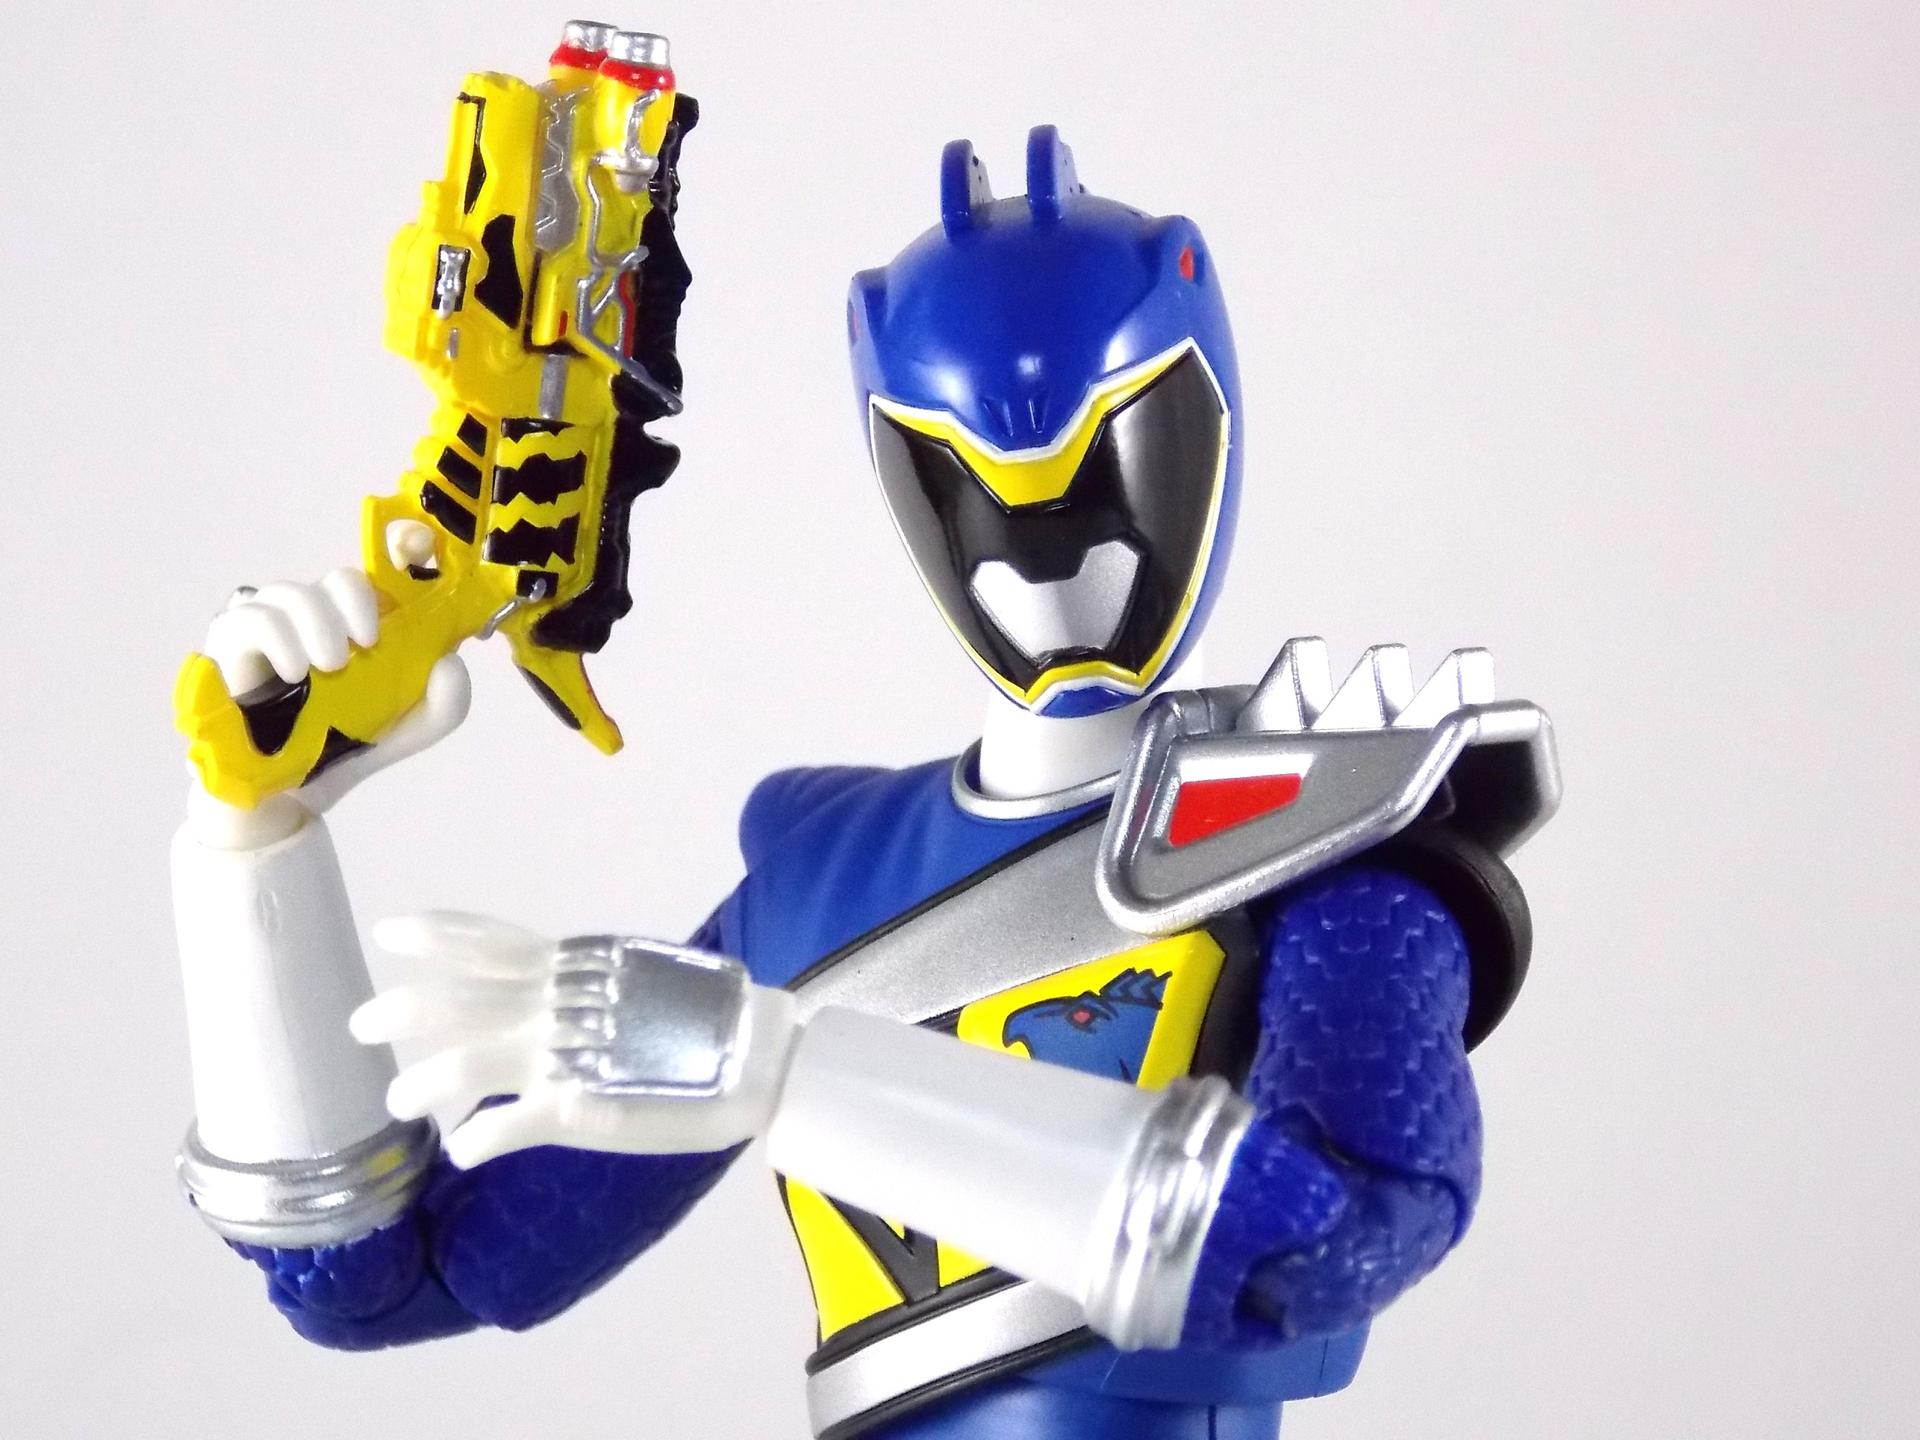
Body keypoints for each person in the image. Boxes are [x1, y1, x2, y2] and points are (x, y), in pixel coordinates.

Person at [172, 125, 1556, 1440]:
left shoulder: (1327, 834)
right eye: (976, 481)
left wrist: (778, 1070)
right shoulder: (822, 881)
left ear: (1206, 431)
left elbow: (1327, 1239)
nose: (1047, 551)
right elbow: (388, 1281)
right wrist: (249, 839)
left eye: (1102, 463)